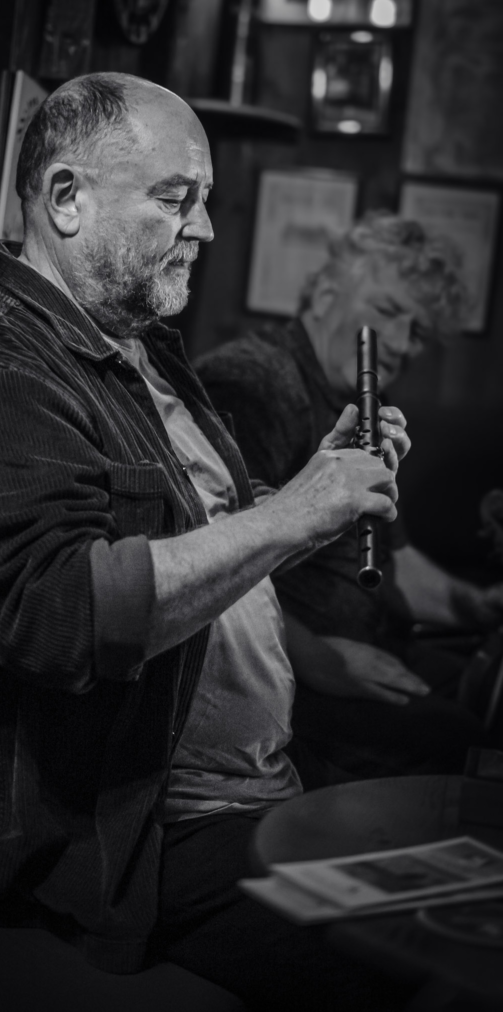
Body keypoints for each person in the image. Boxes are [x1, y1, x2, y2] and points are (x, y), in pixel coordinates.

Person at [0, 74, 413, 1011]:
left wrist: (309, 488)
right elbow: (64, 619)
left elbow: (210, 543)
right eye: (176, 200)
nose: (203, 228)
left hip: (244, 789)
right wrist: (295, 515)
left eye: (202, 201)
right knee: (411, 954)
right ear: (66, 199)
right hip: (115, 844)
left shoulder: (140, 344)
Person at [195, 213, 501, 782]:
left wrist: (477, 603)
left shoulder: (360, 400)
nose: (405, 344)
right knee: (462, 742)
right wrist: (320, 662)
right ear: (327, 291)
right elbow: (214, 566)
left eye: (420, 332)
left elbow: (396, 563)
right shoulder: (257, 381)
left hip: (368, 640)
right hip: (284, 670)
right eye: (388, 311)